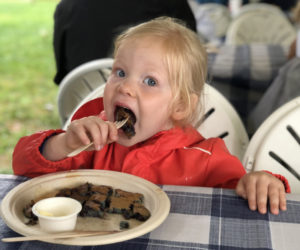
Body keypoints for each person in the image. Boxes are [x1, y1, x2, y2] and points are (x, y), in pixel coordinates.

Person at [13, 17, 289, 215]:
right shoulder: (89, 131)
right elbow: (23, 168)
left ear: (179, 105)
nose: (126, 87)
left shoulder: (205, 158)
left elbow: (241, 197)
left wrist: (261, 181)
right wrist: (64, 144)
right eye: (120, 72)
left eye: (150, 81)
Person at [53, 0, 197, 85]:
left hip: (79, 105)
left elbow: (63, 74)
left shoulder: (67, 7)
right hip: (154, 120)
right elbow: (191, 60)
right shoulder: (169, 3)